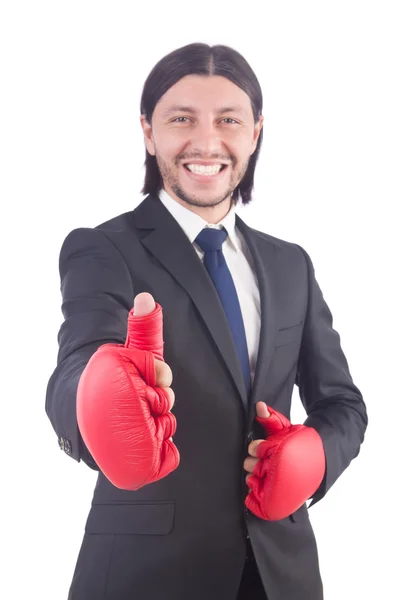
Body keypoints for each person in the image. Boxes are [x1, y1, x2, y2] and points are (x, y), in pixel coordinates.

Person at [45, 42, 368, 600]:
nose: (206, 141)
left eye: (228, 119)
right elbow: (77, 362)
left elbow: (342, 403)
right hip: (147, 575)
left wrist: (314, 456)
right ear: (148, 132)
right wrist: (101, 405)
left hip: (281, 575)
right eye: (181, 119)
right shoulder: (103, 249)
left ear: (255, 132)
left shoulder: (291, 263)